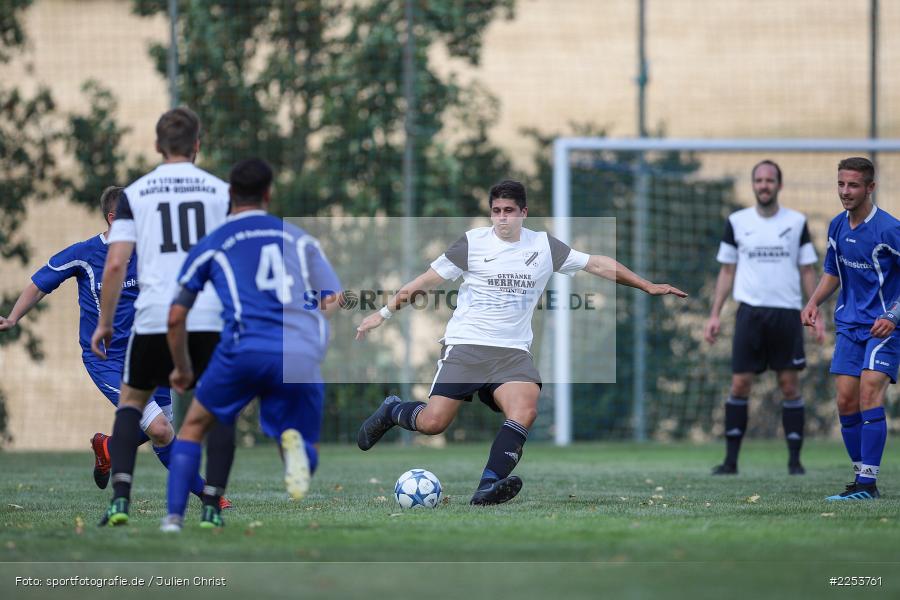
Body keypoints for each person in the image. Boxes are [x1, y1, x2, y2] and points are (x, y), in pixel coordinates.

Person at [354, 179, 687, 505]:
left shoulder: (543, 246)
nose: (502, 218)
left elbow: (596, 263)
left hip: (512, 353)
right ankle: (392, 410)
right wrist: (381, 314)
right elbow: (423, 283)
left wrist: (647, 286)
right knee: (433, 423)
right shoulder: (473, 244)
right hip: (467, 345)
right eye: (496, 210)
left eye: (509, 211)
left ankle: (488, 485)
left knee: (525, 410)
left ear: (523, 212)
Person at [160, 158, 341, 531]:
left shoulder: (215, 242)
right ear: (268, 194)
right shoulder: (299, 238)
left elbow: (176, 315)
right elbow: (333, 298)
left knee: (194, 425)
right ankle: (295, 446)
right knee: (301, 443)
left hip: (244, 348)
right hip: (300, 349)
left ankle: (174, 519)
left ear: (230, 194)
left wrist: (182, 367)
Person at [90, 107, 231, 526]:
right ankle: (211, 509)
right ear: (197, 145)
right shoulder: (220, 191)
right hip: (205, 316)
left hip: (153, 318)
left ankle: (120, 501)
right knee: (219, 409)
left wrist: (105, 322)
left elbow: (115, 264)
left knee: (131, 405)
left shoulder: (136, 194)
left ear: (156, 146)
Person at [0, 187, 177, 488]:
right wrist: (14, 317)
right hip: (106, 359)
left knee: (163, 424)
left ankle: (107, 447)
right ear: (113, 218)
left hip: (148, 354)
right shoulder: (85, 254)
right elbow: (40, 284)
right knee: (159, 427)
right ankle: (206, 496)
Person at [704, 160, 824, 476]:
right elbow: (727, 270)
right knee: (740, 383)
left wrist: (815, 310)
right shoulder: (737, 221)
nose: (764, 185)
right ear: (753, 185)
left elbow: (807, 270)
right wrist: (715, 314)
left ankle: (795, 462)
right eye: (759, 180)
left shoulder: (796, 222)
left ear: (779, 185)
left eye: (770, 180)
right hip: (750, 314)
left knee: (789, 385)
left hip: (786, 314)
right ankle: (730, 462)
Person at [802, 157, 898, 501]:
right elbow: (832, 271)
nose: (845, 191)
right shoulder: (837, 227)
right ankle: (861, 478)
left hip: (883, 328)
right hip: (849, 325)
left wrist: (895, 316)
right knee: (845, 402)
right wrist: (813, 302)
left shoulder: (889, 229)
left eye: (854, 185)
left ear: (870, 187)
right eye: (841, 184)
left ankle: (867, 485)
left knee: (869, 395)